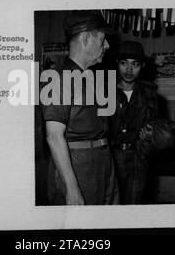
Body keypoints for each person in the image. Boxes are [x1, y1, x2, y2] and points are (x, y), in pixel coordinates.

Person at [42, 11, 118, 205]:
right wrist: (72, 188)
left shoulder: (94, 79)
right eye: (102, 39)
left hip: (104, 162)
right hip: (78, 165)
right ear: (85, 39)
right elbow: (54, 136)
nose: (107, 46)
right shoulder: (57, 79)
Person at [109, 41, 159, 204]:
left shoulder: (150, 92)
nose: (129, 70)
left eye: (135, 64)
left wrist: (153, 133)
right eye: (124, 63)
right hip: (111, 158)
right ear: (117, 64)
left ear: (142, 66)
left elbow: (157, 124)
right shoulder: (104, 90)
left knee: (134, 205)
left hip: (139, 158)